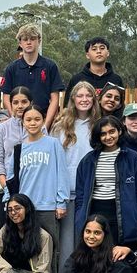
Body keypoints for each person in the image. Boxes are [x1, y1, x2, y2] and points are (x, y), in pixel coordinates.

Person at [6, 105, 70, 272]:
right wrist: (8, 200)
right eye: (28, 120)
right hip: (25, 208)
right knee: (28, 248)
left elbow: (62, 173)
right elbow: (11, 178)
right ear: (23, 122)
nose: (32, 123)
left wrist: (61, 202)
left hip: (47, 206)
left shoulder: (53, 144)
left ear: (43, 121)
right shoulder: (18, 149)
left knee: (51, 249)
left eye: (37, 119)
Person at [72, 116, 137, 250]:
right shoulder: (88, 160)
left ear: (119, 131)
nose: (108, 137)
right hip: (94, 212)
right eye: (103, 134)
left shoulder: (133, 158)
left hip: (123, 215)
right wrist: (80, 215)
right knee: (95, 254)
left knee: (119, 255)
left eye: (112, 132)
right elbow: (80, 194)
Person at [51, 81, 99, 253]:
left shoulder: (99, 125)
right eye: (80, 96)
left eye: (88, 96)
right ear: (73, 99)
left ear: (94, 99)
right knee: (67, 243)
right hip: (68, 193)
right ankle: (67, 271)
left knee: (90, 240)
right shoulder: (61, 126)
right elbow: (53, 161)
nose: (84, 99)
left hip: (92, 192)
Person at [0, 25, 63, 129]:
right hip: (18, 123)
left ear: (39, 41)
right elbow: (6, 97)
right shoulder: (11, 68)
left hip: (43, 121)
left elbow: (55, 99)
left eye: (32, 39)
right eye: (25, 39)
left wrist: (45, 126)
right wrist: (15, 120)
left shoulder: (50, 66)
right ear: (20, 43)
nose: (29, 42)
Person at [0, 87, 32, 201]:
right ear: (10, 104)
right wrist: (6, 185)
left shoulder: (39, 128)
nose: (20, 106)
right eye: (15, 102)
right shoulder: (3, 127)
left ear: (31, 103)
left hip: (32, 186)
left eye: (24, 102)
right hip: (7, 184)